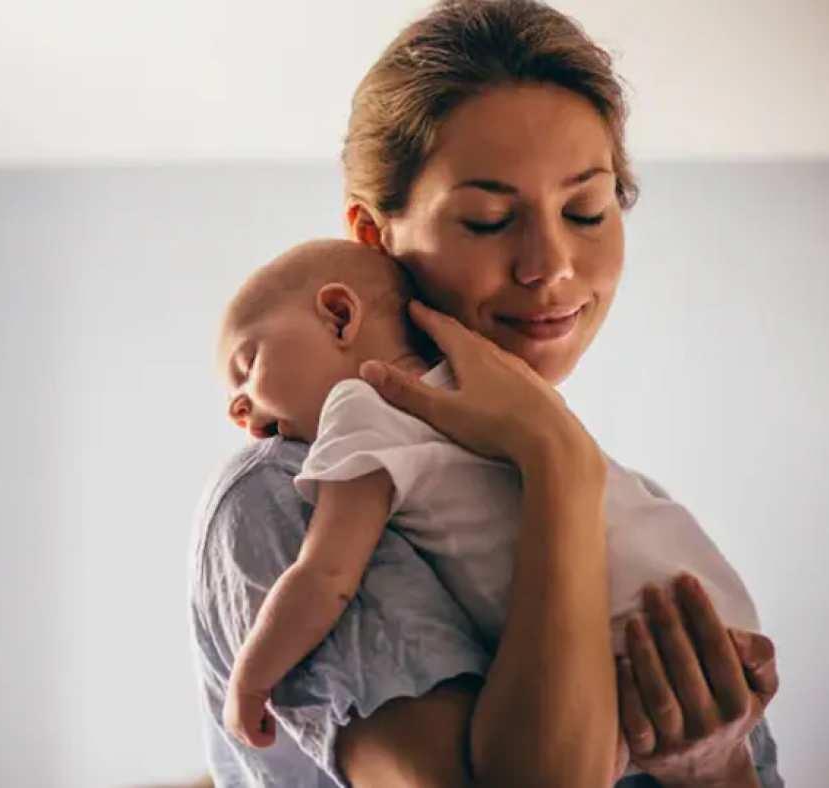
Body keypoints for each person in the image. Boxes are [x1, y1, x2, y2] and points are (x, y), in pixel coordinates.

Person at [190, 1, 783, 785]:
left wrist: (714, 769)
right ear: (374, 235)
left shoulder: (630, 518)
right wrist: (556, 459)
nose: (550, 265)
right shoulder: (285, 488)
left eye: (586, 209)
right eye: (487, 219)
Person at [213, 239, 764, 786]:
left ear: (339, 317)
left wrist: (251, 679)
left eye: (248, 365)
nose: (238, 408)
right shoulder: (504, 402)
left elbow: (325, 575)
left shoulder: (360, 408)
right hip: (709, 613)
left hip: (629, 638)